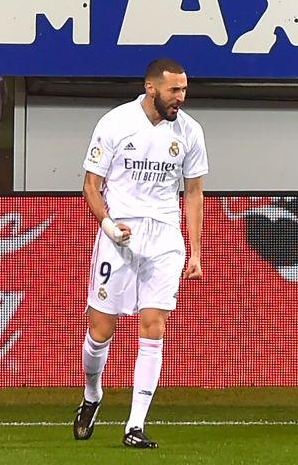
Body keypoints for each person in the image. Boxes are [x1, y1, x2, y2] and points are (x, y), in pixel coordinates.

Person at [73, 58, 208, 448]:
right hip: (120, 235)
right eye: (174, 90)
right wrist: (109, 226)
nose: (180, 98)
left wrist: (195, 250)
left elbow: (194, 192)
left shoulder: (190, 131)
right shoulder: (115, 123)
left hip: (165, 237)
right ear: (152, 88)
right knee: (101, 330)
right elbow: (90, 185)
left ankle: (135, 426)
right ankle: (92, 394)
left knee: (154, 325)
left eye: (184, 90)